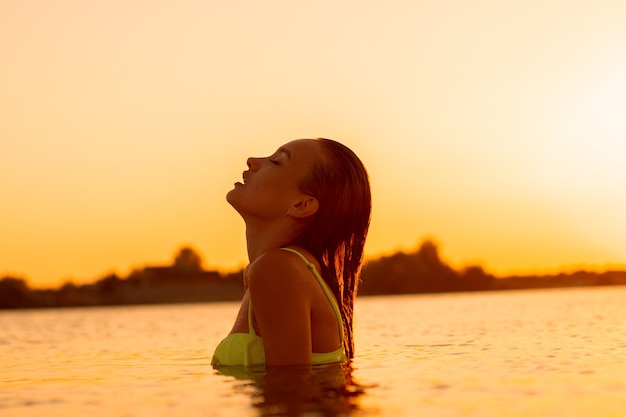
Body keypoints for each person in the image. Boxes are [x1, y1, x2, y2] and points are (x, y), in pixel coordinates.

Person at [211, 138, 371, 368]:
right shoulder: (287, 267)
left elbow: (291, 394)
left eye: (276, 161)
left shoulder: (278, 269)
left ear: (301, 205)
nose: (253, 162)